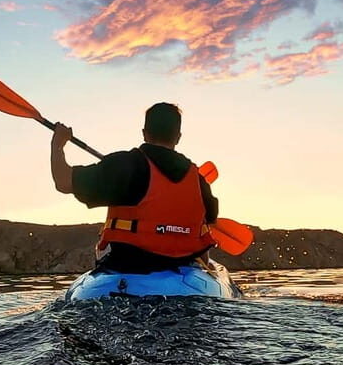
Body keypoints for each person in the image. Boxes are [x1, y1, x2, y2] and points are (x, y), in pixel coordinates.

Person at [50, 102, 218, 273]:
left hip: (128, 269)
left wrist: (58, 145)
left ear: (144, 134)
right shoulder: (198, 180)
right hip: (185, 273)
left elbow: (63, 182)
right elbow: (209, 221)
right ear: (178, 137)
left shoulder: (125, 165)